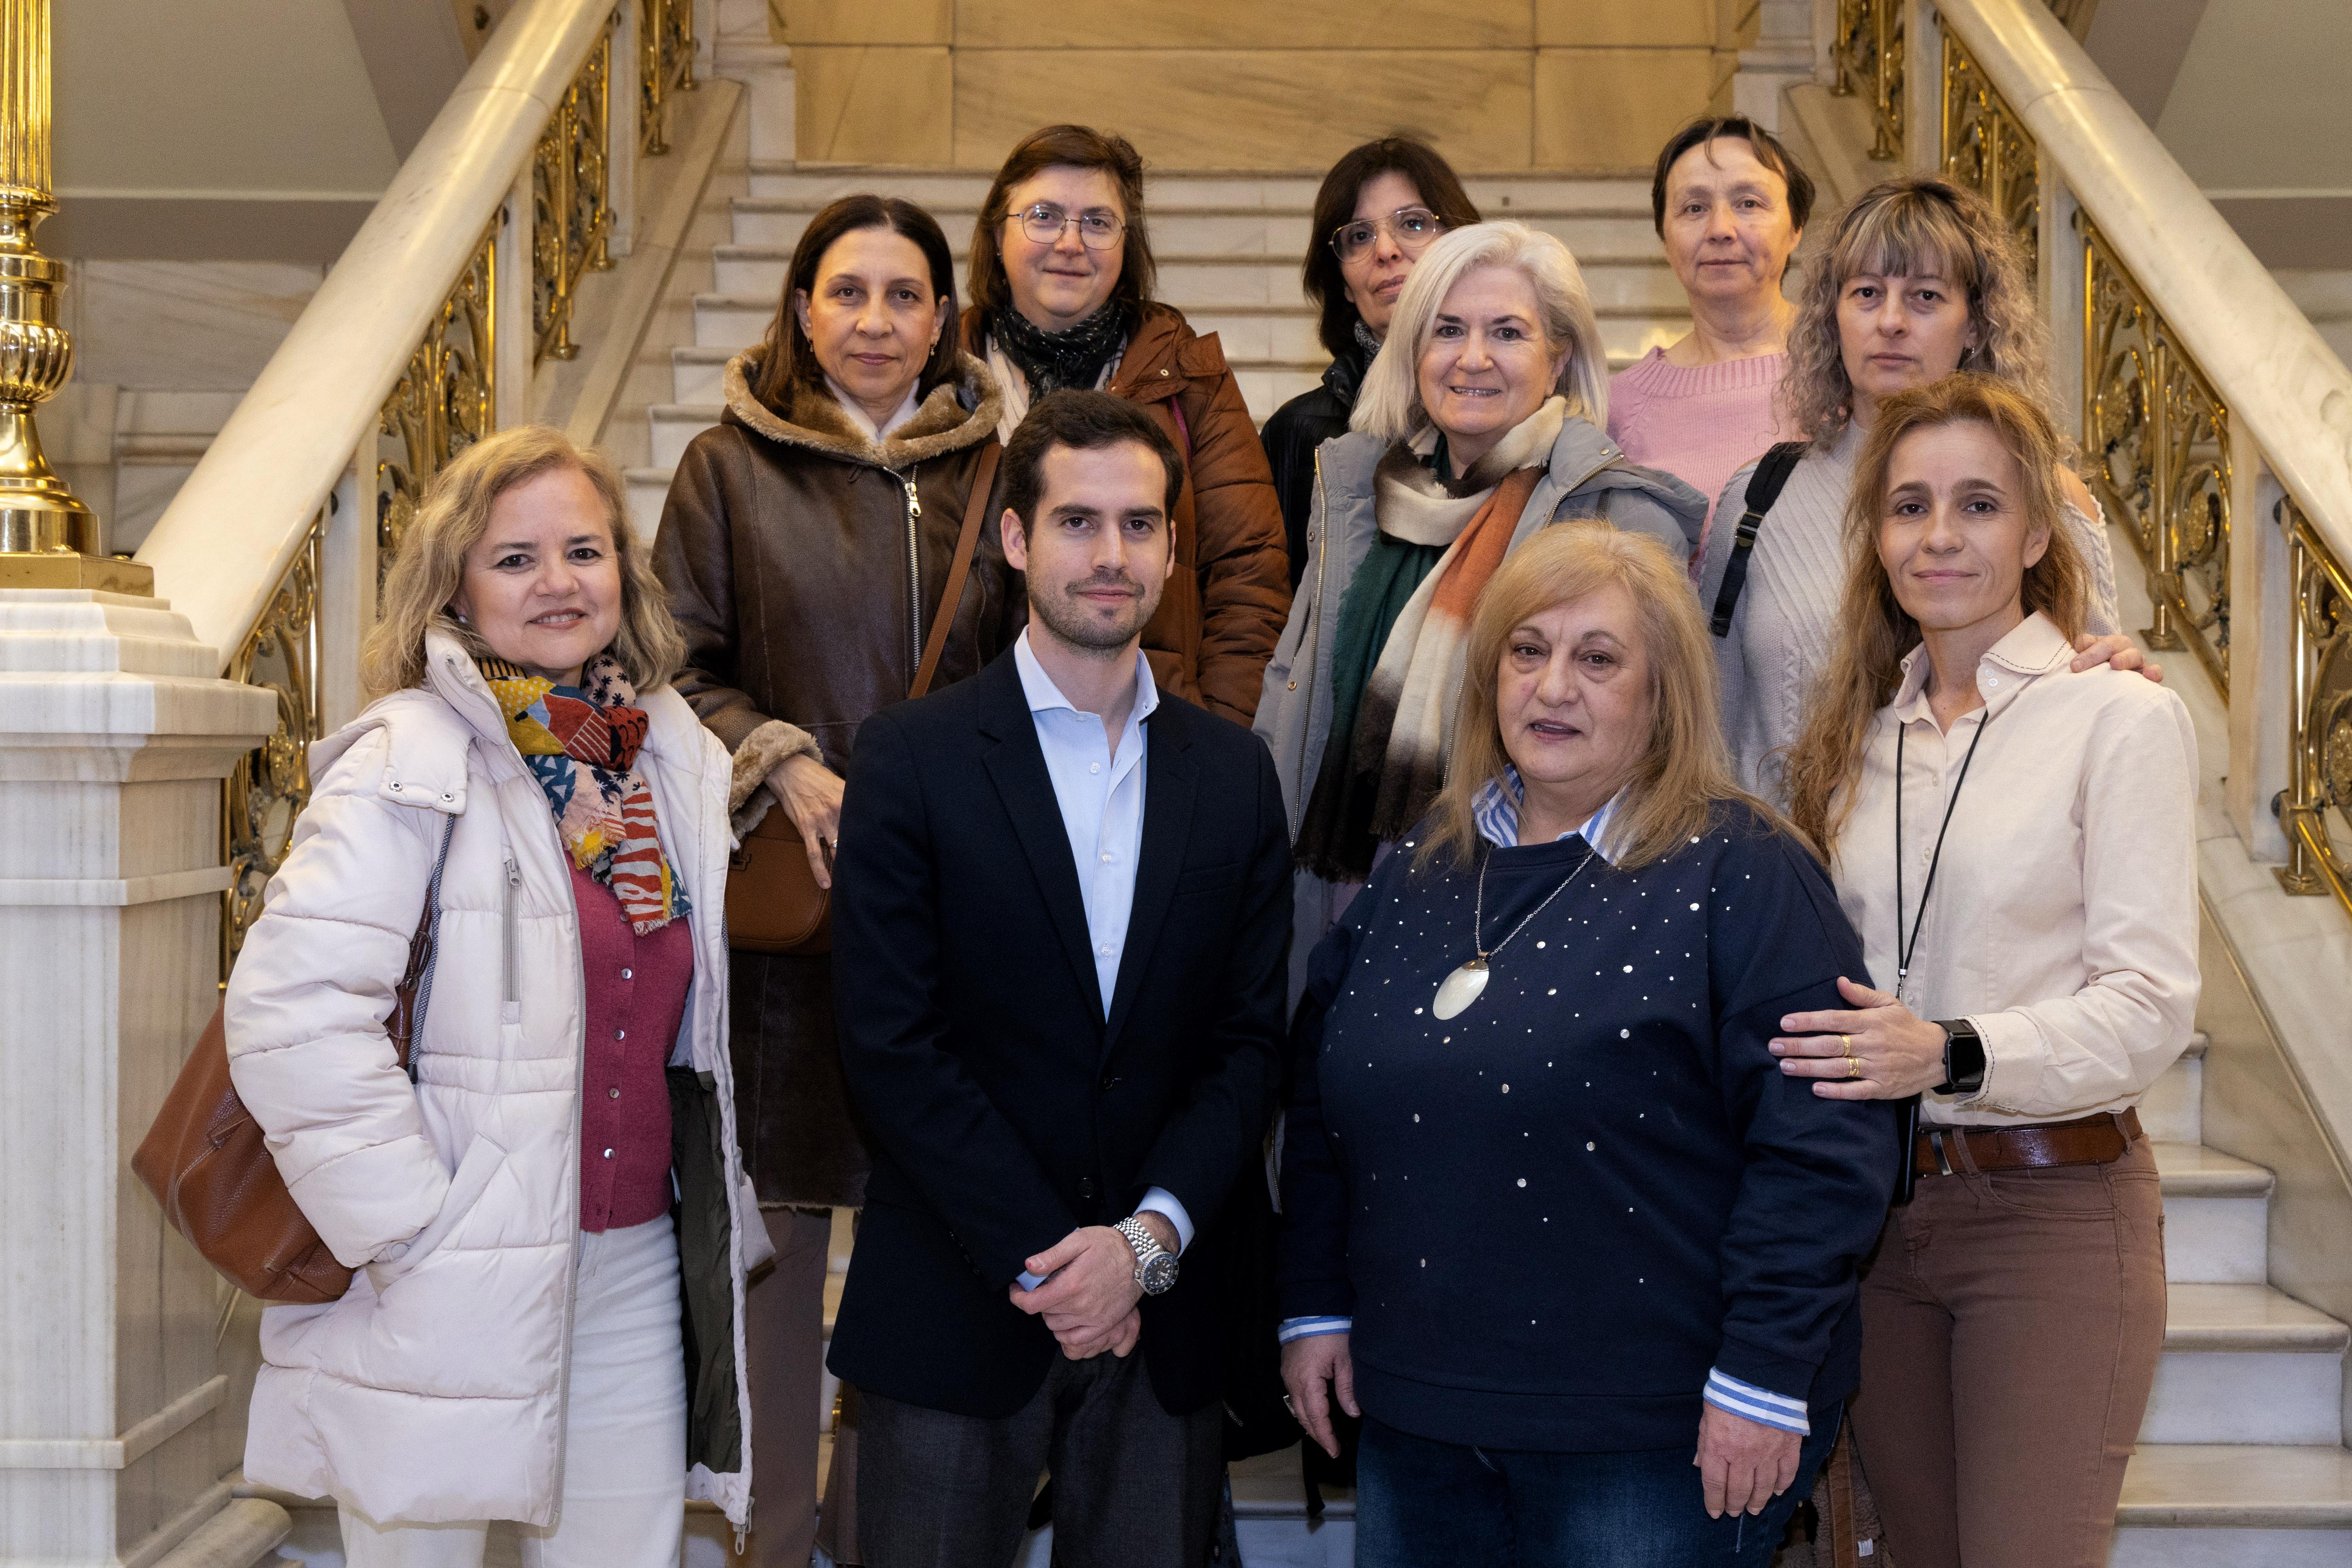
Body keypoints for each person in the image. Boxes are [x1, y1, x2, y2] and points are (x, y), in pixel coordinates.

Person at [1277, 520, 1898, 1566]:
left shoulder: (1744, 871)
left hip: (1656, 1435)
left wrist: (1763, 1373)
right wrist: (1312, 1304)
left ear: (1664, 692)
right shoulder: (1417, 869)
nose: (1552, 685)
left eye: (1598, 657)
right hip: (1419, 1416)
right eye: (1527, 650)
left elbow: (1823, 1147)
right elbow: (1323, 1099)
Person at [226, 426, 756, 1564]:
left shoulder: (666, 755)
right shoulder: (410, 756)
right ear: (455, 587)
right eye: (516, 558)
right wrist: (406, 1223)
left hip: (630, 1264)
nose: (558, 581)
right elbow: (291, 1008)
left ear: (624, 570)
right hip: (441, 1269)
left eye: (583, 550)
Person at [825, 389, 1293, 1568]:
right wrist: (1060, 1258)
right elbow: (890, 1043)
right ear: (1015, 539)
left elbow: (1247, 1046)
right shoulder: (910, 757)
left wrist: (1140, 1247)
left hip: (1162, 1318)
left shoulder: (1234, 775)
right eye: (1077, 522)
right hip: (954, 1298)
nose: (1110, 554)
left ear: (1173, 549)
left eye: (1139, 525)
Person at [1774, 375, 2197, 1568]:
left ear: (2038, 534)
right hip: (1882, 1220)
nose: (1940, 536)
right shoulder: (1855, 741)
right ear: (1876, 538)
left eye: (1978, 504)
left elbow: (2150, 1006)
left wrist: (1953, 1049)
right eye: (1909, 506)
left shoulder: (2117, 717)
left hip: (2052, 1213)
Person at [650, 192, 1015, 1568]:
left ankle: (889, 1540)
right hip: (785, 920)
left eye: (903, 295)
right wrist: (784, 762)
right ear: (802, 311)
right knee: (776, 1255)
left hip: (952, 913)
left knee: (923, 1248)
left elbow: (1036, 675)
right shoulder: (725, 468)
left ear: (943, 319)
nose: (874, 320)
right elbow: (670, 663)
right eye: (847, 293)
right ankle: (773, 1539)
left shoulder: (998, 469)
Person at [1254, 219, 1706, 974]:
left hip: (1531, 916)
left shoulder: (1620, 517)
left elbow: (1662, 755)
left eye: (1507, 332)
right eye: (1448, 330)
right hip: (1339, 894)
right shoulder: (1359, 490)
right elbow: (1291, 690)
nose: (1472, 358)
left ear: (1558, 357)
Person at [1698, 175, 2148, 804]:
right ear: (1832, 316)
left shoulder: (2043, 495)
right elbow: (1711, 729)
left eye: (1925, 297)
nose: (1890, 322)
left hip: (1974, 856)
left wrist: (2120, 672)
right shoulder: (1759, 500)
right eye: (1866, 293)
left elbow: (2089, 706)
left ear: (1976, 325)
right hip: (1779, 860)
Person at [960, 122, 1290, 725]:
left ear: (1126, 243)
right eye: (1043, 216)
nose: (1070, 243)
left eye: (1097, 222)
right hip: (965, 726)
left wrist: (1215, 735)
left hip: (1148, 729)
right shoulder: (941, 372)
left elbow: (1248, 575)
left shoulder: (1188, 377)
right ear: (997, 233)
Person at [1261, 137, 1483, 586]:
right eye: (1359, 236)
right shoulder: (1298, 432)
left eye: (1413, 223)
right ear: (1344, 283)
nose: (1385, 251)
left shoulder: (1509, 406)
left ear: (1461, 247)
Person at [1608, 115, 1813, 564]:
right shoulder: (1619, 408)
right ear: (1665, 239)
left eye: (1748, 203)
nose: (1720, 229)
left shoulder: (1852, 369)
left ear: (1795, 228)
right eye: (1694, 208)